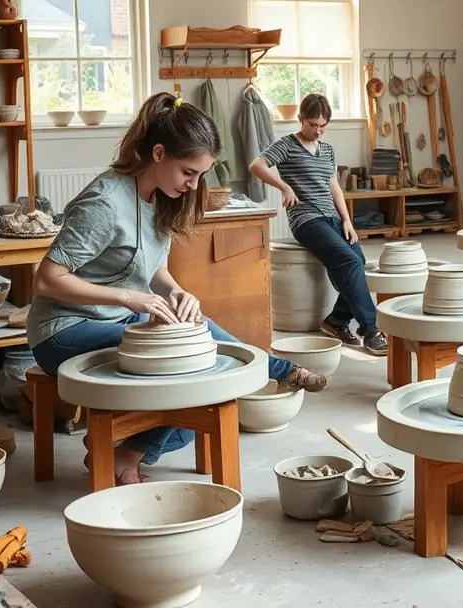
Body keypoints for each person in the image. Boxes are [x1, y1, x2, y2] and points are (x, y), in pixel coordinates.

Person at [27, 92, 328, 486]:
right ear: (157, 154)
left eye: (201, 175)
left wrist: (178, 292)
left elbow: (155, 270)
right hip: (64, 330)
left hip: (121, 319)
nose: (193, 184)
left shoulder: (160, 198)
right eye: (188, 172)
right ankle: (274, 370)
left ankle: (124, 453)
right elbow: (47, 279)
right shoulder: (105, 203)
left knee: (200, 379)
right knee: (192, 359)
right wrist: (129, 297)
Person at [248, 93, 388, 355]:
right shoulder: (287, 145)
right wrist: (284, 186)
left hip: (333, 218)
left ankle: (335, 322)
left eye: (323, 125)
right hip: (306, 219)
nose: (318, 131)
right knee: (348, 261)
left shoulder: (327, 149)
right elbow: (256, 165)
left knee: (357, 261)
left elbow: (333, 186)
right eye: (313, 125)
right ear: (301, 119)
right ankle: (371, 330)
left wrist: (347, 220)